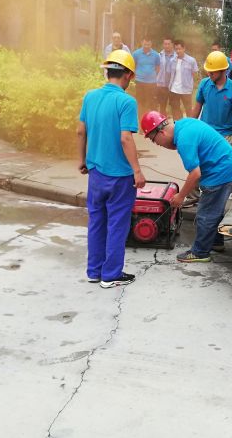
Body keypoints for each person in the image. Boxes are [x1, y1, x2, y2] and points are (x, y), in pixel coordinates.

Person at [76, 50, 145, 288]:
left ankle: (94, 271)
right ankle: (111, 274)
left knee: (97, 221)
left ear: (107, 72)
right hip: (120, 177)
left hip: (95, 172)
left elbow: (80, 131)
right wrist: (137, 170)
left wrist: (82, 159)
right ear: (128, 75)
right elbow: (126, 138)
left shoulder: (90, 97)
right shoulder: (126, 101)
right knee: (117, 224)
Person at [141, 111, 232, 263]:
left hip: (221, 172)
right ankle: (215, 242)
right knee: (214, 210)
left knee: (205, 215)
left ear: (161, 133)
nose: (158, 145)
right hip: (227, 166)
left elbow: (195, 174)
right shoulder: (184, 124)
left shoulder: (184, 140)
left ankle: (200, 252)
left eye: (154, 141)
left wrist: (180, 197)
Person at [192, 51, 232, 155]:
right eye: (208, 71)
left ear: (223, 70)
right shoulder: (204, 84)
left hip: (225, 137)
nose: (209, 74)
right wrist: (190, 127)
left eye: (212, 72)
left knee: (222, 164)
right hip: (205, 133)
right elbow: (197, 108)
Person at [167, 40, 199, 120]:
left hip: (186, 90)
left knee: (188, 110)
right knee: (175, 110)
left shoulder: (191, 60)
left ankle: (190, 125)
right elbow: (170, 74)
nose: (178, 51)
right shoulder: (172, 60)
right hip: (174, 89)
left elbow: (195, 74)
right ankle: (179, 124)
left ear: (184, 48)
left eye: (179, 49)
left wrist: (191, 85)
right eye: (176, 49)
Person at [132, 38, 160, 124]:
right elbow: (133, 65)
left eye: (148, 44)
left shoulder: (156, 55)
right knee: (141, 103)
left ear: (151, 44)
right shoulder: (136, 54)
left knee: (152, 103)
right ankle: (141, 123)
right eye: (145, 44)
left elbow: (158, 67)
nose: (146, 46)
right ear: (142, 43)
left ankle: (152, 123)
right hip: (140, 82)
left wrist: (152, 76)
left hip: (152, 83)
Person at [156, 37, 176, 113]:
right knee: (162, 106)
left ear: (172, 44)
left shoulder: (177, 56)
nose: (167, 46)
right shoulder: (159, 55)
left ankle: (178, 120)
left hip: (173, 86)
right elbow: (156, 69)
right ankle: (162, 120)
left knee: (175, 106)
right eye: (165, 44)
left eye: (168, 44)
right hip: (161, 85)